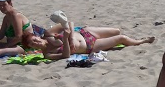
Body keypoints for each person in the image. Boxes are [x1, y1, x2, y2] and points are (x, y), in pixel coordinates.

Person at [21, 11, 155, 58]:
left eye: (35, 39)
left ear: (37, 36)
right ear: (33, 48)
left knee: (117, 31)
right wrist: (66, 39)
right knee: (121, 38)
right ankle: (142, 41)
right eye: (33, 44)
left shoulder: (48, 34)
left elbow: (68, 23)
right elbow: (65, 55)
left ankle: (136, 40)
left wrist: (71, 36)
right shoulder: (48, 54)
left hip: (85, 33)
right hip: (89, 46)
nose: (36, 42)